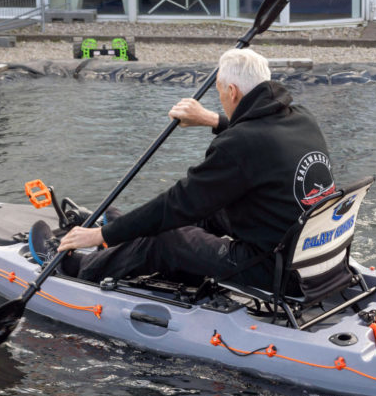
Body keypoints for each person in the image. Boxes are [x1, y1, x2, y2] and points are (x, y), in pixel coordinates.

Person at [50, 48, 335, 290]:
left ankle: (82, 267)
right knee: (209, 211)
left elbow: (176, 203)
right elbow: (259, 137)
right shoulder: (302, 118)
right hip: (315, 255)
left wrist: (102, 235)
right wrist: (213, 120)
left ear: (232, 92)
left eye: (220, 93)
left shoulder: (239, 144)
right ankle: (128, 238)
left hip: (275, 271)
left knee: (169, 236)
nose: (221, 99)